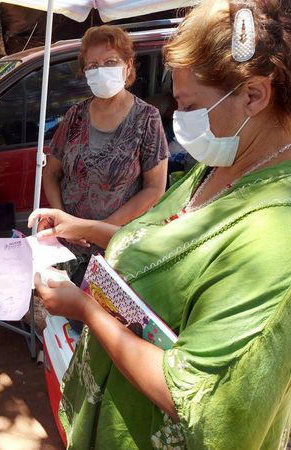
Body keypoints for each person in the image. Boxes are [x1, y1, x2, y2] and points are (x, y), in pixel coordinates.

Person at [30, 1, 291, 448]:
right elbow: (165, 247)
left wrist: (86, 309)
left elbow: (196, 399)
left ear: (254, 96)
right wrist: (83, 227)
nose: (179, 117)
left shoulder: (275, 235)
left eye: (189, 105)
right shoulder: (218, 165)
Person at [42, 25, 169, 277]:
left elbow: (154, 189)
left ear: (128, 65)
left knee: (104, 315)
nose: (101, 71)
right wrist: (61, 222)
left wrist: (93, 229)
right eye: (93, 66)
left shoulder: (146, 118)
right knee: (67, 314)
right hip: (68, 248)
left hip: (116, 249)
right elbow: (51, 173)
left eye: (110, 61)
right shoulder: (74, 116)